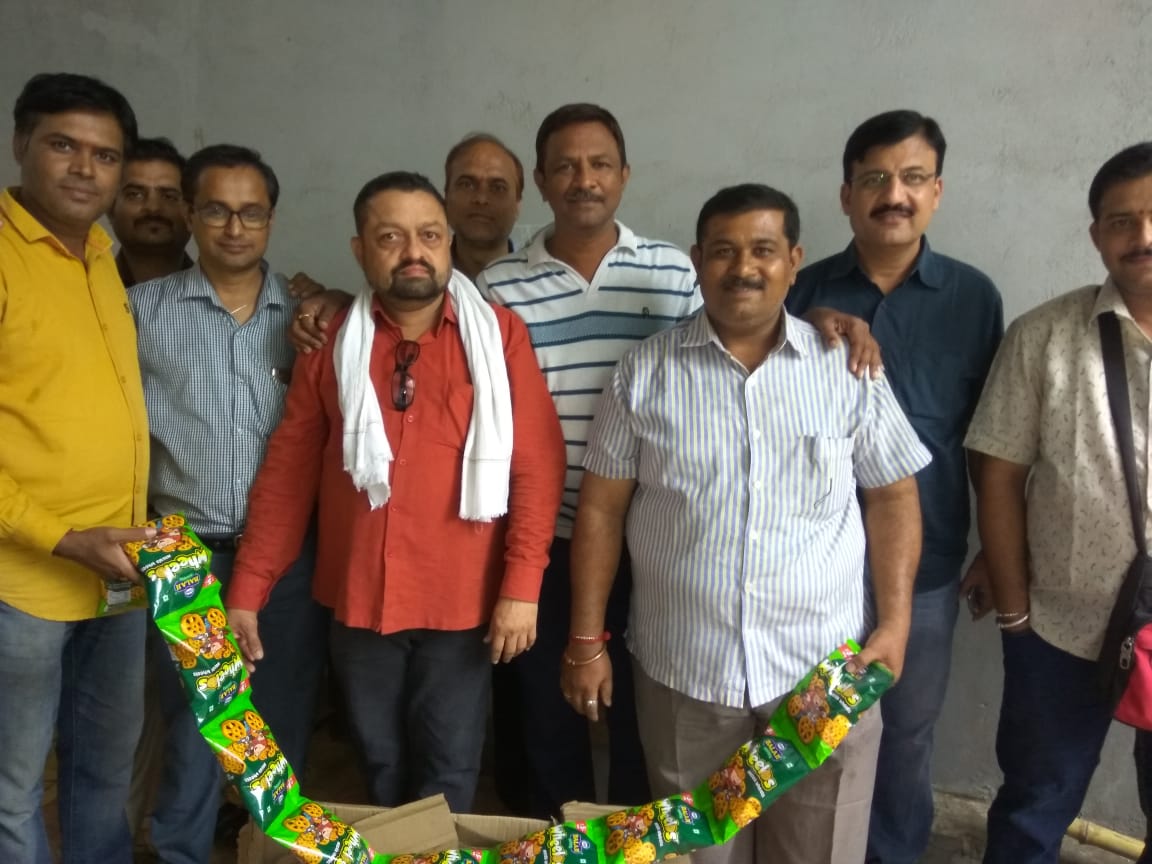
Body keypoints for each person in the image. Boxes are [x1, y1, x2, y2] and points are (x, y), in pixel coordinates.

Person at [563, 183, 931, 864]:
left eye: (763, 250)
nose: (744, 268)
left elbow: (893, 497)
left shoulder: (847, 367)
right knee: (701, 853)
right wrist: (586, 640)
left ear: (794, 261)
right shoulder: (643, 374)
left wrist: (897, 622)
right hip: (687, 675)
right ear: (698, 261)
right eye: (724, 251)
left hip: (823, 675)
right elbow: (602, 511)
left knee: (818, 852)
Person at [225, 171, 566, 812]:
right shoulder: (331, 342)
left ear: (448, 243)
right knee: (377, 761)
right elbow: (288, 475)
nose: (414, 252)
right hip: (361, 600)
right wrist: (247, 590)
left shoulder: (498, 336)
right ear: (360, 250)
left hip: (461, 603)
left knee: (451, 768)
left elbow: (536, 466)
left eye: (429, 235)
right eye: (390, 237)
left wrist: (522, 587)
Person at [785, 109, 1004, 864]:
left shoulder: (973, 298)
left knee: (906, 733)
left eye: (913, 178)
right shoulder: (798, 289)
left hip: (929, 565)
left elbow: (990, 437)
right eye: (875, 178)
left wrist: (994, 548)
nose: (894, 195)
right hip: (812, 565)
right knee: (809, 730)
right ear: (847, 195)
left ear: (937, 192)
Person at [475, 102, 699, 818]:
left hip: (654, 539)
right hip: (545, 541)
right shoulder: (498, 287)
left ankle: (631, 844)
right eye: (565, 166)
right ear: (540, 181)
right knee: (549, 720)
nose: (584, 179)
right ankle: (556, 841)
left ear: (625, 174)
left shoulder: (673, 273)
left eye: (600, 163)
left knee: (645, 718)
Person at [129, 143, 329, 864]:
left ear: (272, 220)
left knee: (281, 724)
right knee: (195, 728)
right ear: (190, 214)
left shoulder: (310, 319)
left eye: (252, 213)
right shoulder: (142, 312)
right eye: (216, 210)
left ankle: (270, 852)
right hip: (185, 554)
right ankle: (180, 852)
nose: (235, 228)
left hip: (287, 560)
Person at [965, 141, 1152, 864]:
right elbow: (999, 475)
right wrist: (1016, 618)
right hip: (1061, 632)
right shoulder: (1043, 336)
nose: (1142, 237)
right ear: (1096, 234)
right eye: (1122, 221)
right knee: (1035, 805)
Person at [0, 72, 155, 864]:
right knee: (14, 789)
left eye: (105, 154)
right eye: (64, 145)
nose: (85, 169)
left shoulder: (99, 254)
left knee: (104, 772)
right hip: (22, 585)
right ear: (21, 143)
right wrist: (61, 538)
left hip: (116, 578)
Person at [290, 132, 524, 352]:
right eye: (466, 184)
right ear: (445, 196)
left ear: (518, 203)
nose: (481, 198)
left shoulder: (536, 287)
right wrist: (341, 305)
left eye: (498, 187)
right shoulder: (406, 274)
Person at [109, 136, 192, 287]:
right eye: (135, 194)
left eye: (169, 196)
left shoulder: (222, 293)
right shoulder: (82, 290)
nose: (153, 208)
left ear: (192, 214)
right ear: (110, 209)